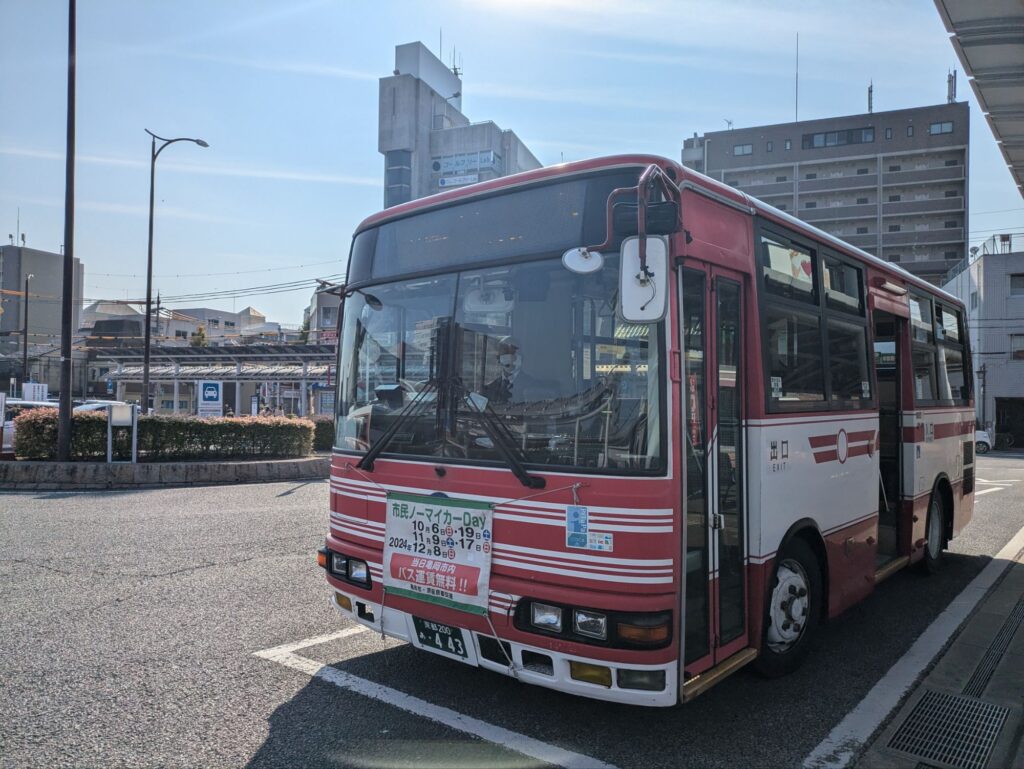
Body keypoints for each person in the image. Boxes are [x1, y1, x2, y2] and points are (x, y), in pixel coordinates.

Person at [481, 336, 556, 405]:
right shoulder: (488, 389)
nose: (510, 357)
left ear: (522, 358)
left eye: (514, 353)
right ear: (498, 358)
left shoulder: (533, 386)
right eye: (505, 352)